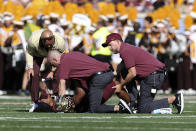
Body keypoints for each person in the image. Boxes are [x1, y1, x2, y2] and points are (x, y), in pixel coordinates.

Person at [102, 33, 184, 114]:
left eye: (110, 45)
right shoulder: (126, 48)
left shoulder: (125, 50)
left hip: (153, 76)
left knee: (143, 109)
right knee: (124, 71)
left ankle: (174, 99)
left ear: (117, 41)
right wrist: (114, 74)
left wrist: (120, 85)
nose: (109, 48)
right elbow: (122, 65)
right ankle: (134, 102)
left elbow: (132, 73)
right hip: (153, 75)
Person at [47, 50, 131, 113]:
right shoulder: (72, 54)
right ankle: (132, 104)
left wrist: (61, 102)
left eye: (53, 64)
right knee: (115, 85)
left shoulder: (64, 62)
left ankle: (120, 108)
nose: (54, 67)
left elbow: (62, 85)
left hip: (98, 77)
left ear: (55, 59)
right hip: (108, 71)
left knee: (94, 109)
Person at [26, 29, 67, 112]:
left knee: (59, 72)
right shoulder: (33, 40)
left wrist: (52, 70)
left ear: (54, 38)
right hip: (37, 53)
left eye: (50, 41)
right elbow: (29, 52)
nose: (48, 44)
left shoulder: (60, 42)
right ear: (41, 40)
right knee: (34, 74)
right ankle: (35, 102)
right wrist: (29, 67)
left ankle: (56, 97)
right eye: (46, 41)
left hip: (54, 55)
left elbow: (62, 58)